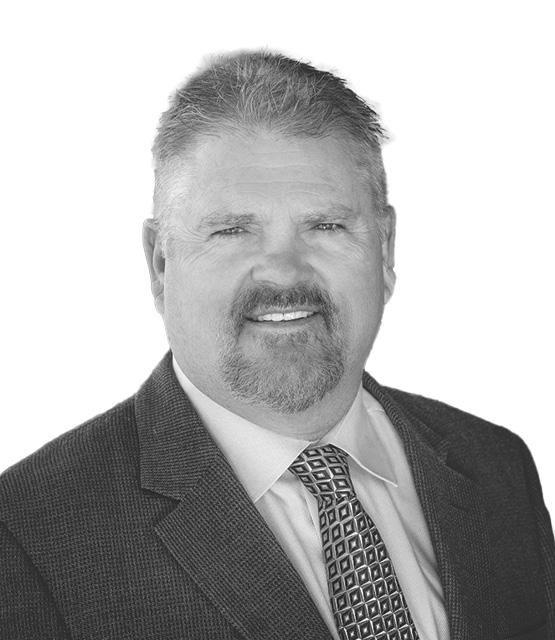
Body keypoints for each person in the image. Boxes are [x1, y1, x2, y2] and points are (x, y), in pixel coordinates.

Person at [0, 51, 553, 640]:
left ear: (386, 249)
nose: (284, 272)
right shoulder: (27, 536)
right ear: (160, 263)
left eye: (326, 226)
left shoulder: (496, 467)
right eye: (232, 230)